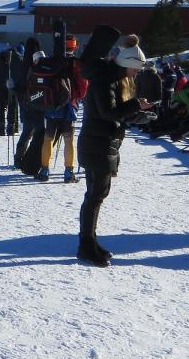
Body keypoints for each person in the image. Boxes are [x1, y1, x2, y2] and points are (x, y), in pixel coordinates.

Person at [76, 32, 156, 267]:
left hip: (102, 143)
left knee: (96, 196)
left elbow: (115, 114)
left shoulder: (112, 79)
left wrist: (140, 114)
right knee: (95, 197)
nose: (136, 73)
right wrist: (134, 105)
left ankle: (90, 242)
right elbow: (108, 112)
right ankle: (86, 245)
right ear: (127, 65)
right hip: (97, 145)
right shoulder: (105, 80)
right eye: (135, 69)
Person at [38, 43, 88, 183]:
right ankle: (68, 172)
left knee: (48, 139)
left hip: (51, 104)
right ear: (74, 47)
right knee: (69, 140)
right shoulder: (76, 63)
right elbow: (83, 87)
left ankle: (44, 170)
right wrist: (76, 96)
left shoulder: (50, 60)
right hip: (70, 106)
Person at [13, 38, 44, 168]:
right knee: (39, 133)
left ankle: (19, 158)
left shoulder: (24, 67)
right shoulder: (42, 67)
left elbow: (18, 88)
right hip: (40, 106)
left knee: (26, 133)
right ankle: (35, 158)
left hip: (26, 106)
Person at [0, 45, 20, 136]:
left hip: (0, 85)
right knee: (12, 107)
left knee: (0, 107)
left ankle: (0, 129)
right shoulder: (19, 58)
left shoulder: (0, 57)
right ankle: (11, 128)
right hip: (13, 86)